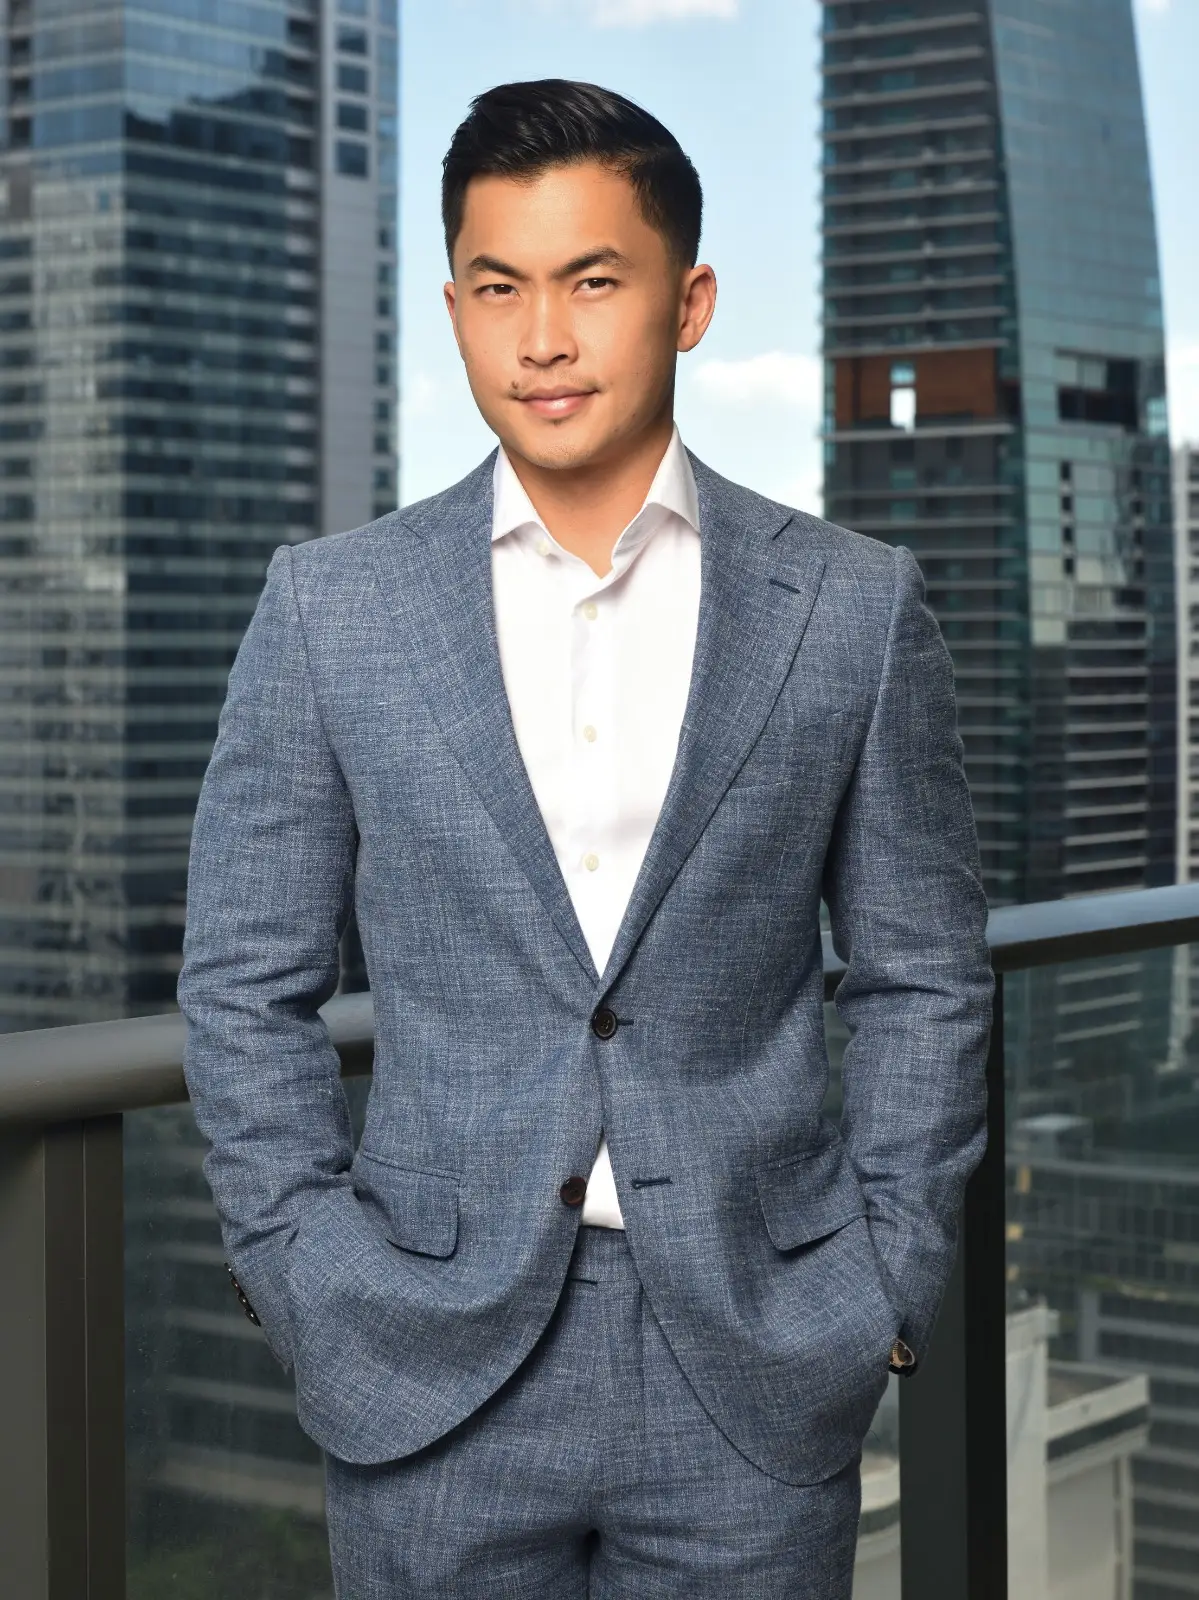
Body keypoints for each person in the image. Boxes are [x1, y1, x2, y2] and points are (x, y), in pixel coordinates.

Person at [179, 78, 994, 1599]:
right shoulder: (330, 609)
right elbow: (242, 983)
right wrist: (302, 1271)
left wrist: (886, 1279)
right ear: (454, 309)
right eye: (498, 288)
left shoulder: (851, 609)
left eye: (592, 282)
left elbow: (924, 976)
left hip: (753, 1357)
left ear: (688, 303)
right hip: (423, 1353)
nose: (541, 338)